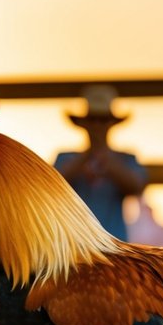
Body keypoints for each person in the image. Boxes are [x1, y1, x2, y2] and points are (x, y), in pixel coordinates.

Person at [52, 85, 147, 241]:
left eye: (102, 120)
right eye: (93, 120)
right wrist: (91, 153)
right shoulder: (65, 157)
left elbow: (137, 186)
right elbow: (54, 183)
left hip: (114, 245)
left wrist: (103, 156)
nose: (97, 126)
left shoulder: (126, 159)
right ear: (84, 123)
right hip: (76, 245)